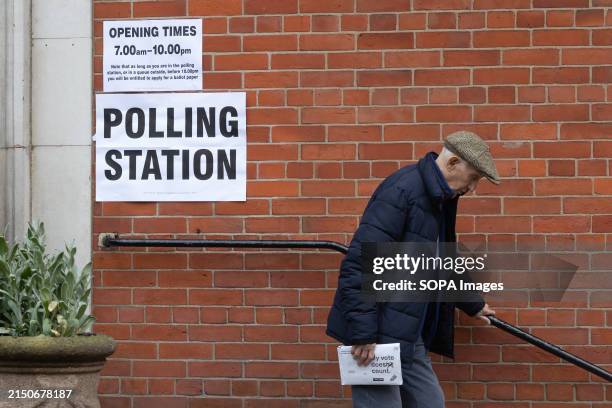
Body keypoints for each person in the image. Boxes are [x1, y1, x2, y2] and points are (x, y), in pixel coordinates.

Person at [326, 130, 499, 408]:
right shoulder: (403, 191)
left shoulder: (439, 199)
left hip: (407, 329)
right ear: (453, 163)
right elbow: (360, 263)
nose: (473, 188)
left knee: (430, 402)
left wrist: (472, 302)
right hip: (375, 332)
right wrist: (363, 334)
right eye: (474, 177)